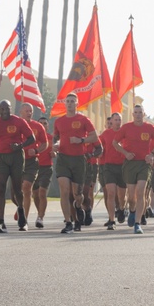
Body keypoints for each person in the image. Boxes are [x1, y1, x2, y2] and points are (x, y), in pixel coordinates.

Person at [0, 99, 35, 233]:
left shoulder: (19, 121)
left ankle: (22, 215)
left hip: (16, 157)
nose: (5, 111)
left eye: (7, 108)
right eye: (2, 109)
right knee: (0, 188)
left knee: (17, 189)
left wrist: (20, 146)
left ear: (11, 109)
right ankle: (1, 222)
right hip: (0, 158)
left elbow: (32, 138)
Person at [53, 92, 99, 234]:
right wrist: (55, 145)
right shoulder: (59, 121)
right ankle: (68, 222)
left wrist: (81, 140)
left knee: (77, 194)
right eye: (68, 101)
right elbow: (55, 138)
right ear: (65, 103)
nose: (70, 103)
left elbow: (94, 137)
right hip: (63, 159)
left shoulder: (83, 119)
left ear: (77, 103)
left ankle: (78, 207)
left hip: (79, 159)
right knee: (65, 191)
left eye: (73, 101)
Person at [115, 104, 154, 235]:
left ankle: (137, 223)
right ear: (132, 114)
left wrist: (151, 155)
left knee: (141, 192)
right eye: (136, 112)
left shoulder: (149, 128)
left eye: (140, 112)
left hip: (144, 164)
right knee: (131, 196)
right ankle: (133, 211)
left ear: (144, 114)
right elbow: (115, 143)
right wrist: (125, 153)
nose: (138, 114)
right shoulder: (126, 127)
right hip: (130, 163)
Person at [19, 103, 49, 228]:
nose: (29, 112)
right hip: (17, 161)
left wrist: (36, 151)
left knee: (27, 188)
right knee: (16, 192)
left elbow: (45, 143)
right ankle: (20, 210)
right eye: (26, 110)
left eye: (30, 110)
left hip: (32, 161)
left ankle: (24, 221)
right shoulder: (16, 125)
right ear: (20, 112)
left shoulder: (38, 126)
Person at [98, 112, 126, 230]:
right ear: (112, 121)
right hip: (109, 166)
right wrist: (98, 152)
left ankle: (121, 209)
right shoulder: (106, 134)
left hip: (123, 166)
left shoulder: (125, 133)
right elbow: (98, 146)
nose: (117, 122)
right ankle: (111, 219)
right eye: (115, 120)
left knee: (121, 195)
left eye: (119, 120)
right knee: (110, 193)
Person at [33, 116, 54, 228]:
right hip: (34, 167)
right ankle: (40, 212)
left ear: (47, 125)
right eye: (40, 123)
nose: (42, 125)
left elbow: (54, 151)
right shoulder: (33, 137)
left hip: (46, 168)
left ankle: (40, 217)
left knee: (42, 192)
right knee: (35, 194)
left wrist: (54, 154)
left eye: (45, 123)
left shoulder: (50, 138)